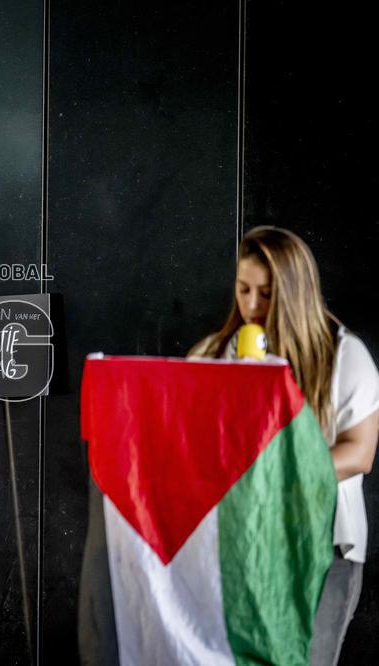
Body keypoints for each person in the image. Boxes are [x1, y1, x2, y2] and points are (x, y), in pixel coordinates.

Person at [191, 225, 379, 666]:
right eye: (243, 290)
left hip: (323, 546)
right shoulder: (214, 353)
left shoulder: (344, 355)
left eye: (267, 293)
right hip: (239, 541)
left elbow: (360, 451)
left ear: (294, 292)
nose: (251, 306)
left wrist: (279, 472)